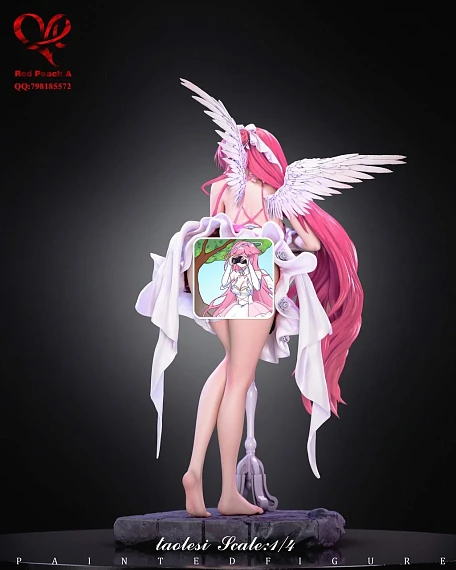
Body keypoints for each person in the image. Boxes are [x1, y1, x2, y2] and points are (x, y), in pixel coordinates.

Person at [135, 79, 405, 517]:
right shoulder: (278, 197)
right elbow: (312, 245)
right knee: (239, 381)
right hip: (253, 275)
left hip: (212, 270)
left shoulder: (222, 189)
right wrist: (289, 241)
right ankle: (226, 491)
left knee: (228, 369)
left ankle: (194, 470)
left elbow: (216, 232)